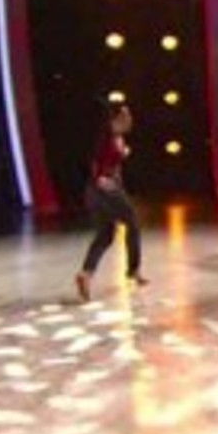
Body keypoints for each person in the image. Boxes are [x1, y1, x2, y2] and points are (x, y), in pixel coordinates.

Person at [74, 100, 146, 301]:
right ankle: (133, 270)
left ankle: (86, 274)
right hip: (105, 188)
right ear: (115, 119)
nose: (129, 119)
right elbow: (96, 161)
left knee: (106, 234)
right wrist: (100, 178)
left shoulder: (116, 138)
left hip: (99, 189)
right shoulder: (106, 138)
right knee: (133, 223)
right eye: (125, 115)